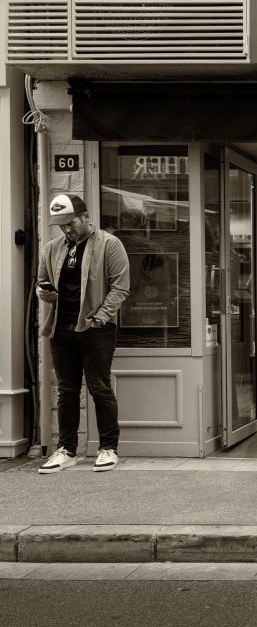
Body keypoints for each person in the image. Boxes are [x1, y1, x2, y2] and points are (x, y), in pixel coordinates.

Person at [37, 194, 130, 474]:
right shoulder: (51, 248)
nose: (67, 229)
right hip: (61, 328)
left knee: (99, 387)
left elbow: (121, 287)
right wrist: (45, 293)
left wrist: (100, 318)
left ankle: (108, 448)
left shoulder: (109, 244)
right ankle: (66, 449)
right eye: (61, 225)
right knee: (66, 390)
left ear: (85, 216)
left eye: (71, 222)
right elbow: (42, 286)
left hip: (96, 329)